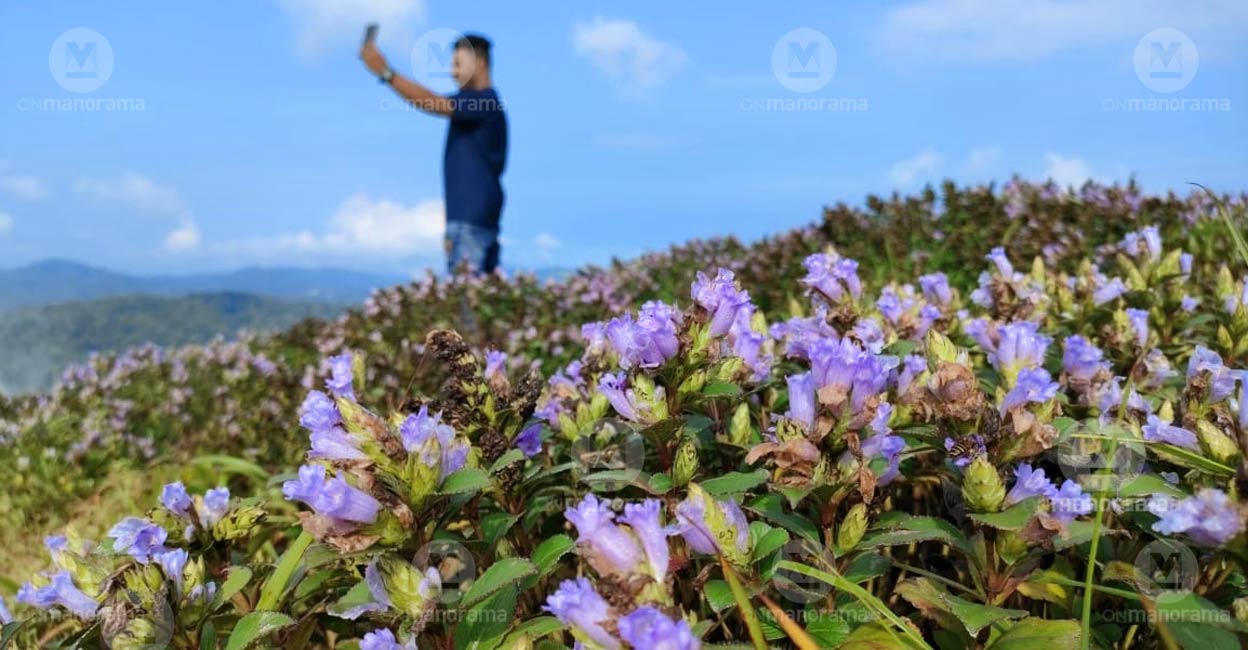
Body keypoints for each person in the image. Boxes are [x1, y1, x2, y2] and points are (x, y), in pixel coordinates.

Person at [360, 33, 507, 274]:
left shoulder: (484, 102)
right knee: (483, 302)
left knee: (466, 303)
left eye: (458, 64)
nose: (453, 72)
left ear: (480, 63)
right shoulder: (485, 106)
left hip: (468, 223)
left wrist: (386, 73)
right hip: (482, 221)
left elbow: (433, 102)